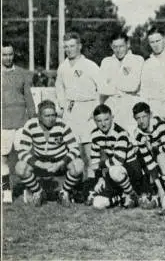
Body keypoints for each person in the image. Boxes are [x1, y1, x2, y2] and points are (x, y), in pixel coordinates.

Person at [15, 100, 83, 206]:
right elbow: (22, 151)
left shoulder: (62, 124)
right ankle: (38, 192)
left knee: (78, 165)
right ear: (39, 116)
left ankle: (64, 193)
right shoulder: (30, 125)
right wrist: (40, 164)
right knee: (20, 167)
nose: (51, 119)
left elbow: (75, 148)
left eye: (53, 115)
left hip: (60, 162)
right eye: (47, 116)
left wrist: (60, 163)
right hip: (40, 162)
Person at [55, 32, 103, 185]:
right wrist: (62, 105)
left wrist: (95, 108)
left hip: (88, 109)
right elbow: (59, 87)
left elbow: (101, 88)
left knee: (89, 149)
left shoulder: (90, 65)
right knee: (73, 148)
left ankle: (91, 184)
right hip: (71, 110)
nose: (69, 49)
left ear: (79, 46)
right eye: (66, 47)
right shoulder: (62, 67)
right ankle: (76, 185)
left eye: (72, 46)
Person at [87, 104, 146, 209]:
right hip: (113, 170)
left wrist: (100, 167)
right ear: (95, 121)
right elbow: (94, 160)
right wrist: (100, 178)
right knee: (98, 204)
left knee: (115, 171)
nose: (103, 124)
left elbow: (118, 160)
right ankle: (119, 198)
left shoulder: (120, 133)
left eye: (106, 119)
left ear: (112, 118)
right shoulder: (95, 135)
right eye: (99, 121)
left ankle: (132, 195)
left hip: (131, 168)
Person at [2, 41, 37, 203]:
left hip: (22, 123)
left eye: (10, 54)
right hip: (3, 125)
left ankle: (28, 189)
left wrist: (33, 119)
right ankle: (6, 191)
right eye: (4, 54)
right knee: (3, 158)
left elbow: (29, 99)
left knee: (25, 157)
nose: (7, 57)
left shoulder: (22, 73)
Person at [131, 102, 165, 215]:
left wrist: (154, 148)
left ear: (150, 115)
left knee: (160, 157)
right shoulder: (138, 134)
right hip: (161, 158)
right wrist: (161, 190)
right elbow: (149, 163)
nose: (141, 121)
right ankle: (161, 195)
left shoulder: (160, 124)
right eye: (138, 118)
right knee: (147, 160)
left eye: (144, 117)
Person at [99, 31, 143, 133]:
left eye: (121, 46)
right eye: (115, 47)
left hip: (129, 106)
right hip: (111, 106)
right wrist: (121, 84)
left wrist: (111, 83)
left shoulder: (137, 60)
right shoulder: (106, 62)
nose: (118, 50)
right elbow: (101, 87)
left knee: (131, 137)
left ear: (128, 44)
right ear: (111, 46)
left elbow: (133, 86)